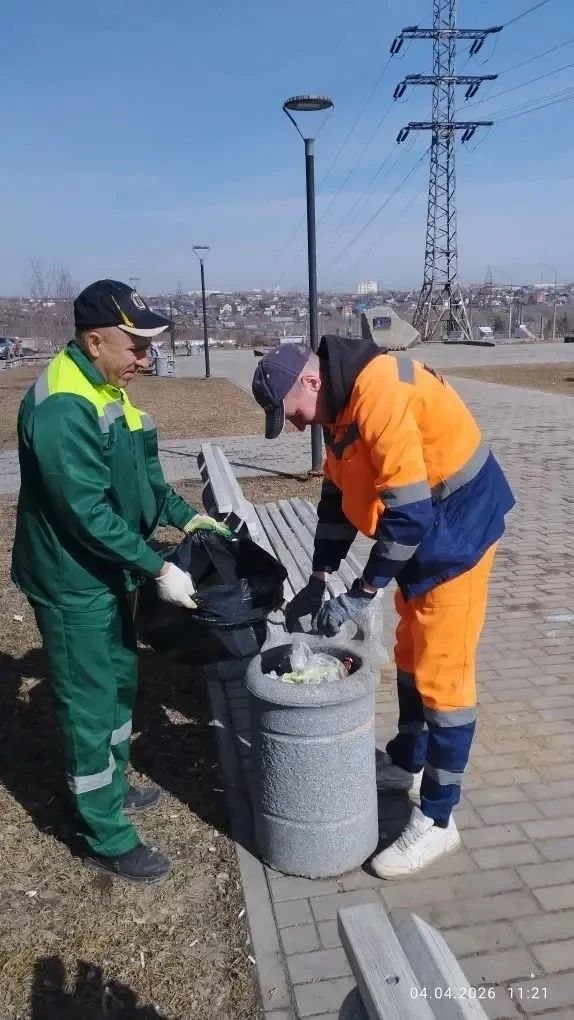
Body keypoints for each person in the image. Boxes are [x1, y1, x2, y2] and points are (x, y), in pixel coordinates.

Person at [252, 336, 515, 879]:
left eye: (293, 414)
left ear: (311, 381)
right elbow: (336, 498)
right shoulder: (339, 403)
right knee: (410, 652)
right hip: (425, 533)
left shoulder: (379, 393)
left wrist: (363, 591)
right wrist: (320, 577)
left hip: (458, 533)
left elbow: (410, 514)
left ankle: (438, 820)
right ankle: (407, 762)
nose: (297, 426)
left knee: (443, 678)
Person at [12, 279, 230, 884]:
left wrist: (188, 516)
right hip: (72, 580)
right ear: (94, 340)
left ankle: (113, 785)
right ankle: (103, 832)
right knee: (89, 701)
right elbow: (85, 512)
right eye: (135, 346)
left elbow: (144, 481)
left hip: (108, 570)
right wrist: (157, 566)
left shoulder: (109, 388)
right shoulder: (63, 406)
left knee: (117, 681)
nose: (145, 357)